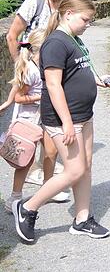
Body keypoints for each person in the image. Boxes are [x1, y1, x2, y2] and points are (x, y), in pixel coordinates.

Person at [13, 0, 110, 243]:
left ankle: (82, 220)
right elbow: (53, 84)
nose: (88, 24)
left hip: (83, 114)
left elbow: (76, 71)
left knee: (86, 165)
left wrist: (96, 80)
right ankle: (27, 208)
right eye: (86, 19)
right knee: (75, 169)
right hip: (65, 119)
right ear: (68, 14)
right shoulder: (56, 43)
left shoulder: (74, 39)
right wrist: (67, 122)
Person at [5, 0, 70, 194]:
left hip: (53, 73)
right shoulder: (35, 2)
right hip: (34, 73)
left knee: (51, 142)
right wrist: (22, 66)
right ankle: (18, 190)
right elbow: (13, 36)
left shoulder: (64, 7)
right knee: (29, 137)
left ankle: (46, 186)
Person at [4, 30, 69, 212]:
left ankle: (48, 190)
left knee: (50, 152)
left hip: (45, 117)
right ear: (36, 51)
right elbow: (18, 97)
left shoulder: (46, 68)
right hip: (29, 120)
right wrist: (40, 96)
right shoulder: (30, 70)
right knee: (26, 159)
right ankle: (15, 197)